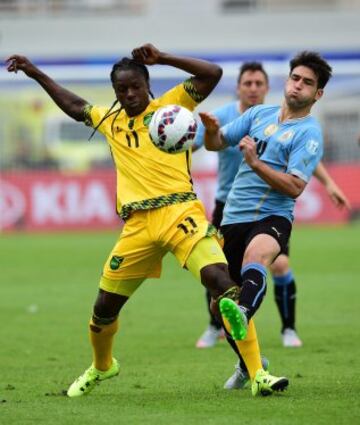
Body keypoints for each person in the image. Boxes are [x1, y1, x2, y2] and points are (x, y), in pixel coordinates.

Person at [6, 44, 287, 398]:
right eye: (121, 90)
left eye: (135, 87)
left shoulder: (171, 108)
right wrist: (35, 72)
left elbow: (212, 74)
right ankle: (103, 366)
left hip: (180, 214)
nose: (128, 94)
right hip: (138, 226)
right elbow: (75, 106)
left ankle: (258, 372)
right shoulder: (110, 120)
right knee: (103, 309)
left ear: (147, 84)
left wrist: (165, 58)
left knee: (222, 284)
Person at [200, 51, 336, 388]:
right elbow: (217, 144)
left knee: (256, 259)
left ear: (317, 95)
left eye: (307, 83)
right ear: (287, 80)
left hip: (272, 215)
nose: (298, 85)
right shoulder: (259, 114)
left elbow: (294, 187)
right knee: (219, 307)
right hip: (232, 218)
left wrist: (257, 163)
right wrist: (209, 131)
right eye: (295, 78)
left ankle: (247, 314)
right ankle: (250, 364)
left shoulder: (309, 133)